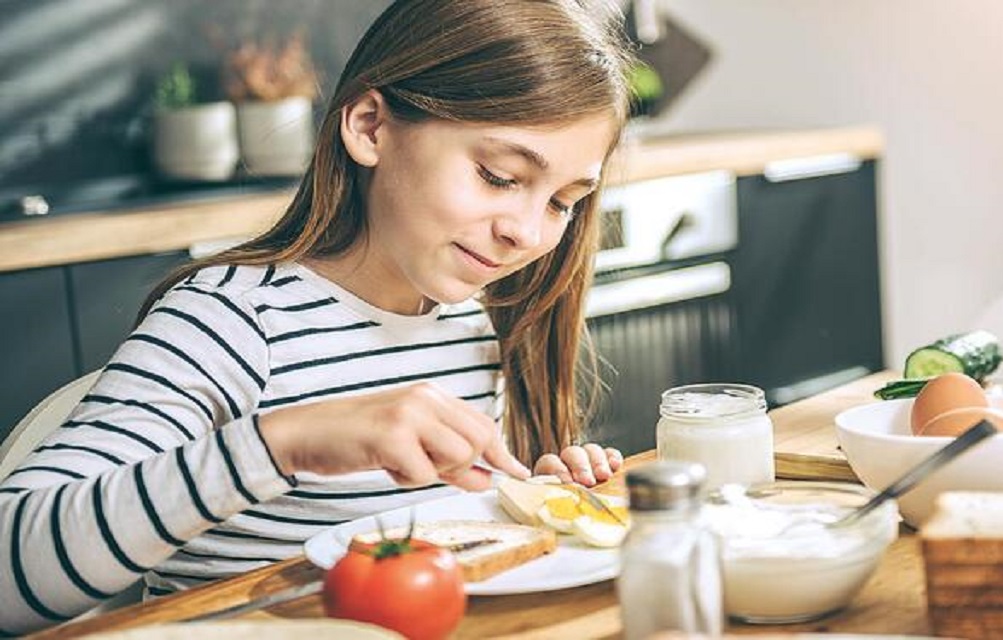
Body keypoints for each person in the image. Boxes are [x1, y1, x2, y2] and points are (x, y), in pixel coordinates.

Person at [0, 0, 635, 633]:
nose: (526, 232)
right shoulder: (232, 319)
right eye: (498, 177)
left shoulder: (472, 325)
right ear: (368, 126)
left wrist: (528, 505)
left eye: (560, 202)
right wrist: (284, 442)